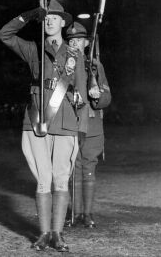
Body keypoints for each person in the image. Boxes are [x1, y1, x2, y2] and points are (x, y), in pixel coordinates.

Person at [0, 0, 88, 252]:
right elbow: (4, 34)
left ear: (62, 23)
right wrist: (28, 15)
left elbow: (81, 93)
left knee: (60, 180)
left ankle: (57, 235)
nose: (49, 21)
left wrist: (81, 131)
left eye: (53, 18)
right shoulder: (33, 49)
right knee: (42, 180)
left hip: (66, 122)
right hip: (36, 120)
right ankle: (43, 234)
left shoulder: (74, 54)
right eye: (45, 18)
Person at [65, 21, 112, 229]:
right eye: (71, 41)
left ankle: (88, 213)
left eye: (78, 40)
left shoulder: (94, 65)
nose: (75, 44)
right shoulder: (63, 66)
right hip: (70, 123)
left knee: (89, 167)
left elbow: (107, 96)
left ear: (86, 43)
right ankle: (74, 213)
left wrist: (97, 95)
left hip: (92, 124)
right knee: (73, 168)